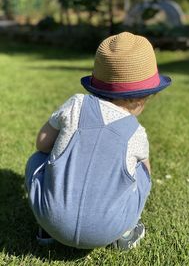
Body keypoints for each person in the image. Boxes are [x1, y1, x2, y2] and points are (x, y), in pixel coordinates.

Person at [25, 32, 171, 250]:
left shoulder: (76, 105)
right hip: (108, 229)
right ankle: (126, 232)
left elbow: (42, 143)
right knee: (143, 172)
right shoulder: (136, 134)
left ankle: (47, 230)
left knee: (37, 159)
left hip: (51, 220)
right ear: (144, 98)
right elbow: (144, 176)